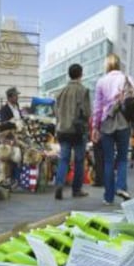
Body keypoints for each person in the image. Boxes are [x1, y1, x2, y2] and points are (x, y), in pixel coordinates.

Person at [92, 53, 134, 205]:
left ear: (107, 65)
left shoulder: (101, 82)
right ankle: (121, 187)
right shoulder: (127, 79)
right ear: (118, 64)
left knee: (108, 161)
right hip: (123, 121)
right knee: (123, 158)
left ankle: (108, 197)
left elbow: (97, 107)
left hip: (106, 122)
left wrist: (95, 127)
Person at [54, 63, 91, 200]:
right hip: (77, 130)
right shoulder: (83, 90)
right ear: (81, 74)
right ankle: (76, 189)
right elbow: (87, 112)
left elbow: (56, 111)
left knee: (63, 159)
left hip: (63, 129)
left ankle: (59, 184)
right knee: (79, 160)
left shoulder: (61, 91)